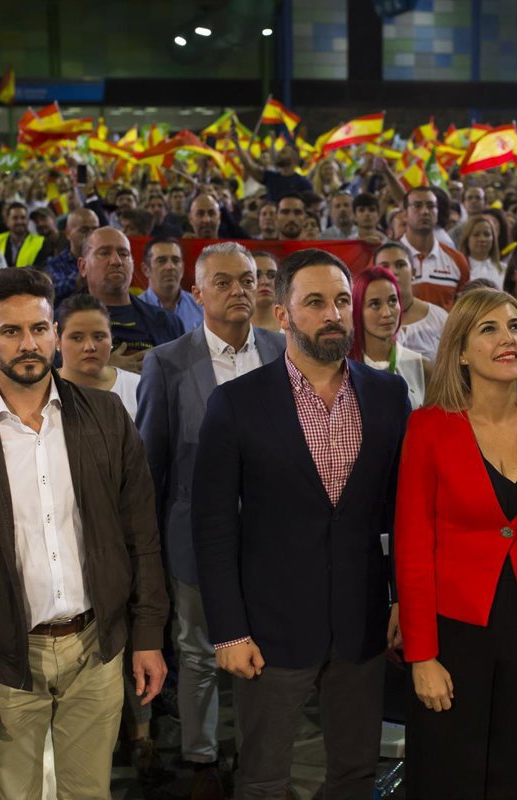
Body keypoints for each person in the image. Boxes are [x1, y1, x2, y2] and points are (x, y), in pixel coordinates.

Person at [0, 267, 170, 798]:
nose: (27, 344)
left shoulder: (107, 416)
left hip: (95, 646)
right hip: (2, 656)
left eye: (39, 329)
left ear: (54, 333)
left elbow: (141, 536)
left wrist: (147, 636)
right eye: (10, 331)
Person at [191, 248, 410, 799]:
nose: (332, 314)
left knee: (355, 775)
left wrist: (401, 598)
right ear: (282, 315)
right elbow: (213, 528)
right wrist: (229, 631)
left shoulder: (388, 395)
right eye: (314, 302)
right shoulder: (235, 403)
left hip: (362, 622)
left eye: (341, 300)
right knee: (263, 779)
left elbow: (403, 511)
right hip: (271, 628)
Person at [397, 288, 517, 798]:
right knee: (446, 777)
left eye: (515, 327)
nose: (508, 339)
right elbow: (413, 550)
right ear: (461, 351)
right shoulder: (428, 427)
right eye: (489, 329)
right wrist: (421, 656)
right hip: (452, 634)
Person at [136, 242, 286, 799]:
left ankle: (256, 754)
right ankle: (201, 758)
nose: (239, 290)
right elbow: (152, 460)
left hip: (271, 535)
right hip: (194, 535)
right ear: (197, 294)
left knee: (265, 651)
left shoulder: (282, 348)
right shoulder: (167, 361)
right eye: (223, 282)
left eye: (247, 279)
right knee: (198, 652)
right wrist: (151, 546)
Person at [76, 227, 184, 372]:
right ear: (83, 267)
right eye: (104, 253)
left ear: (133, 264)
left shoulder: (168, 322)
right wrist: (101, 370)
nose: (116, 261)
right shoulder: (63, 322)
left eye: (123, 254)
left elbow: (185, 378)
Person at [349, 266, 431, 408]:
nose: (387, 313)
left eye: (393, 301)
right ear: (357, 310)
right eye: (375, 304)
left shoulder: (422, 367)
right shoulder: (343, 369)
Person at [57, 293, 141, 414]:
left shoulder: (139, 388)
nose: (89, 347)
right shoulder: (40, 391)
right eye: (77, 338)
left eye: (99, 337)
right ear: (57, 341)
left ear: (111, 338)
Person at [375, 240, 448, 361]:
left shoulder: (439, 317)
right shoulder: (365, 321)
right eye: (384, 266)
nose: (393, 271)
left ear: (413, 272)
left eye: (400, 265)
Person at [402, 187, 470, 309]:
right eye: (417, 206)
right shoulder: (386, 256)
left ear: (437, 212)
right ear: (405, 214)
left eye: (431, 206)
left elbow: (464, 311)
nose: (425, 211)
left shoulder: (457, 260)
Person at [140, 236, 204, 332]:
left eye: (175, 260)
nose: (170, 267)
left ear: (182, 268)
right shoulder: (135, 310)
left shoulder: (201, 308)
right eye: (161, 261)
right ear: (146, 269)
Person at [45, 207, 100, 306]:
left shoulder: (107, 260)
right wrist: (80, 279)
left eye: (95, 230)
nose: (92, 235)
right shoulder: (55, 264)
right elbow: (52, 292)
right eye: (84, 230)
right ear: (68, 233)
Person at [458, 215, 504, 288]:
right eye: (476, 235)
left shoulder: (503, 269)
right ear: (467, 239)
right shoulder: (457, 268)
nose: (482, 239)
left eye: (487, 234)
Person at [250, 250, 281, 332]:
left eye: (272, 275)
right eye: (256, 275)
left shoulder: (293, 326)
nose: (265, 282)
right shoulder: (232, 326)